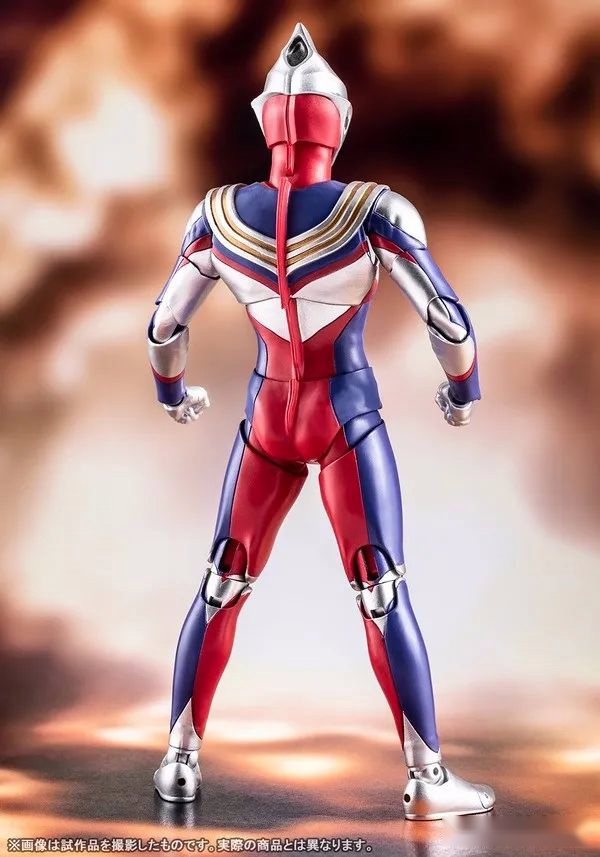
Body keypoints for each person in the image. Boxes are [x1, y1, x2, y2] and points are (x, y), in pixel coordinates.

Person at [147, 24, 494, 820]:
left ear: (267, 120)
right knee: (380, 589)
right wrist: (463, 390)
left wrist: (173, 394)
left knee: (221, 583)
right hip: (345, 414)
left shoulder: (217, 214)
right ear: (335, 123)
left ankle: (179, 762)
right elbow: (448, 321)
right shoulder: (374, 210)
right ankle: (427, 777)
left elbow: (164, 326)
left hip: (266, 415)